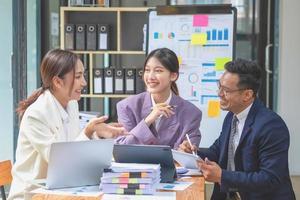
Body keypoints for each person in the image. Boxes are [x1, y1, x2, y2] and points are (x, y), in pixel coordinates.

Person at [8, 49, 127, 200]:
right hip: (32, 193)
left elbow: (74, 145)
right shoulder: (36, 114)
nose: (84, 82)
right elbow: (60, 162)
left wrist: (96, 133)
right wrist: (87, 131)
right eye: (78, 77)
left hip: (63, 189)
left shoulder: (71, 104)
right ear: (57, 81)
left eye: (83, 75)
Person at [179, 58, 295, 199]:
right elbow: (217, 151)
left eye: (226, 90)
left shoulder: (271, 126)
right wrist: (193, 152)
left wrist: (222, 176)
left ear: (247, 95)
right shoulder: (232, 116)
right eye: (219, 86)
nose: (219, 93)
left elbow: (269, 178)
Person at [115, 48, 202, 149]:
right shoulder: (127, 106)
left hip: (170, 165)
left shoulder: (191, 113)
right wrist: (148, 120)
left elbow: (186, 154)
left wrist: (187, 149)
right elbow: (121, 147)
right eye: (147, 70)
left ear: (173, 76)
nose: (150, 77)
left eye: (158, 71)